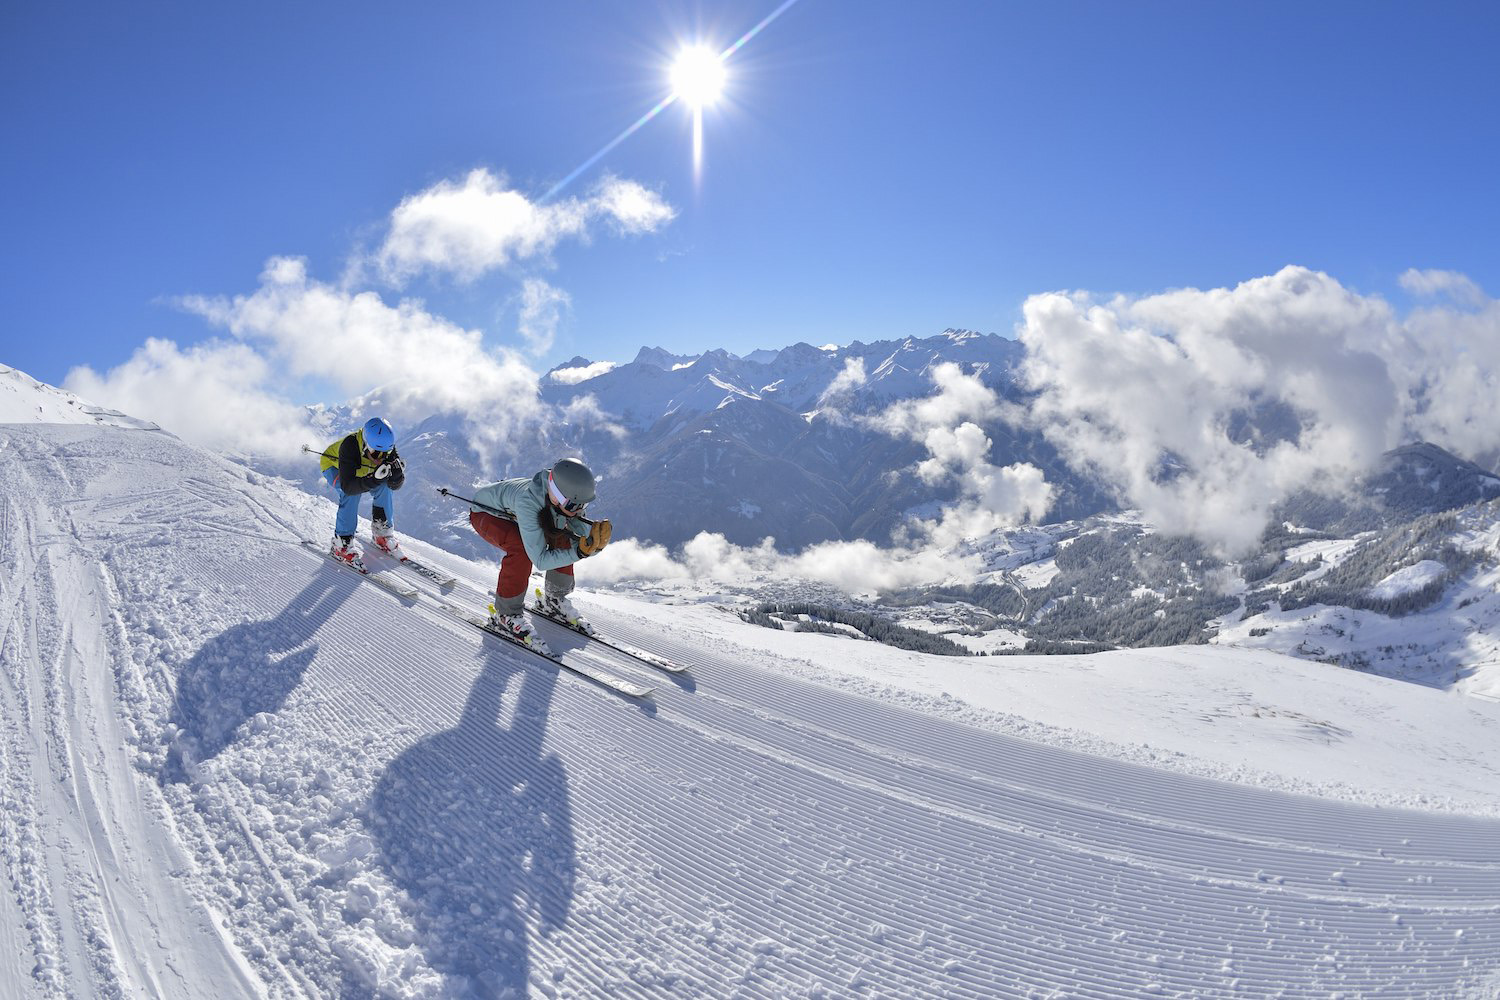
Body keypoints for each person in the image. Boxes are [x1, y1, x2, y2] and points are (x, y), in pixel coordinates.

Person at [468, 458, 612, 646]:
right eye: (573, 506)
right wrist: (580, 553)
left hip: (515, 513)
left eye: (583, 506)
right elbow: (540, 560)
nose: (577, 511)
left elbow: (578, 538)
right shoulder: (528, 502)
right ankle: (506, 614)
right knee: (520, 549)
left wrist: (594, 546)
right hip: (486, 514)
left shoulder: (567, 498)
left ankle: (554, 598)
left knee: (563, 536)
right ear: (557, 496)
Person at [318, 417, 406, 565]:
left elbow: (394, 486)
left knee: (384, 487)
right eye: (376, 453)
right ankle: (341, 544)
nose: (381, 458)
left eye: (385, 453)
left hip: (363, 470)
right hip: (336, 467)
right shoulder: (350, 446)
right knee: (351, 495)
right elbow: (348, 487)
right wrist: (374, 479)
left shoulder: (385, 447)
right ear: (366, 444)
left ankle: (382, 534)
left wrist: (397, 478)